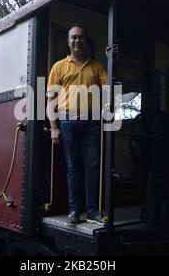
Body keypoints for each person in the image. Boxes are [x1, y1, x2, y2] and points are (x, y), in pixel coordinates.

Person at [46, 25, 107, 225]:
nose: (77, 40)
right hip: (67, 122)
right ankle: (75, 211)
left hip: (92, 122)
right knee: (73, 168)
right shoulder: (59, 66)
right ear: (68, 41)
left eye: (81, 37)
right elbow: (50, 101)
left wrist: (114, 59)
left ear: (86, 40)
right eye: (74, 37)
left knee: (92, 166)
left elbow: (109, 89)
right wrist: (54, 127)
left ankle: (92, 212)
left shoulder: (97, 66)